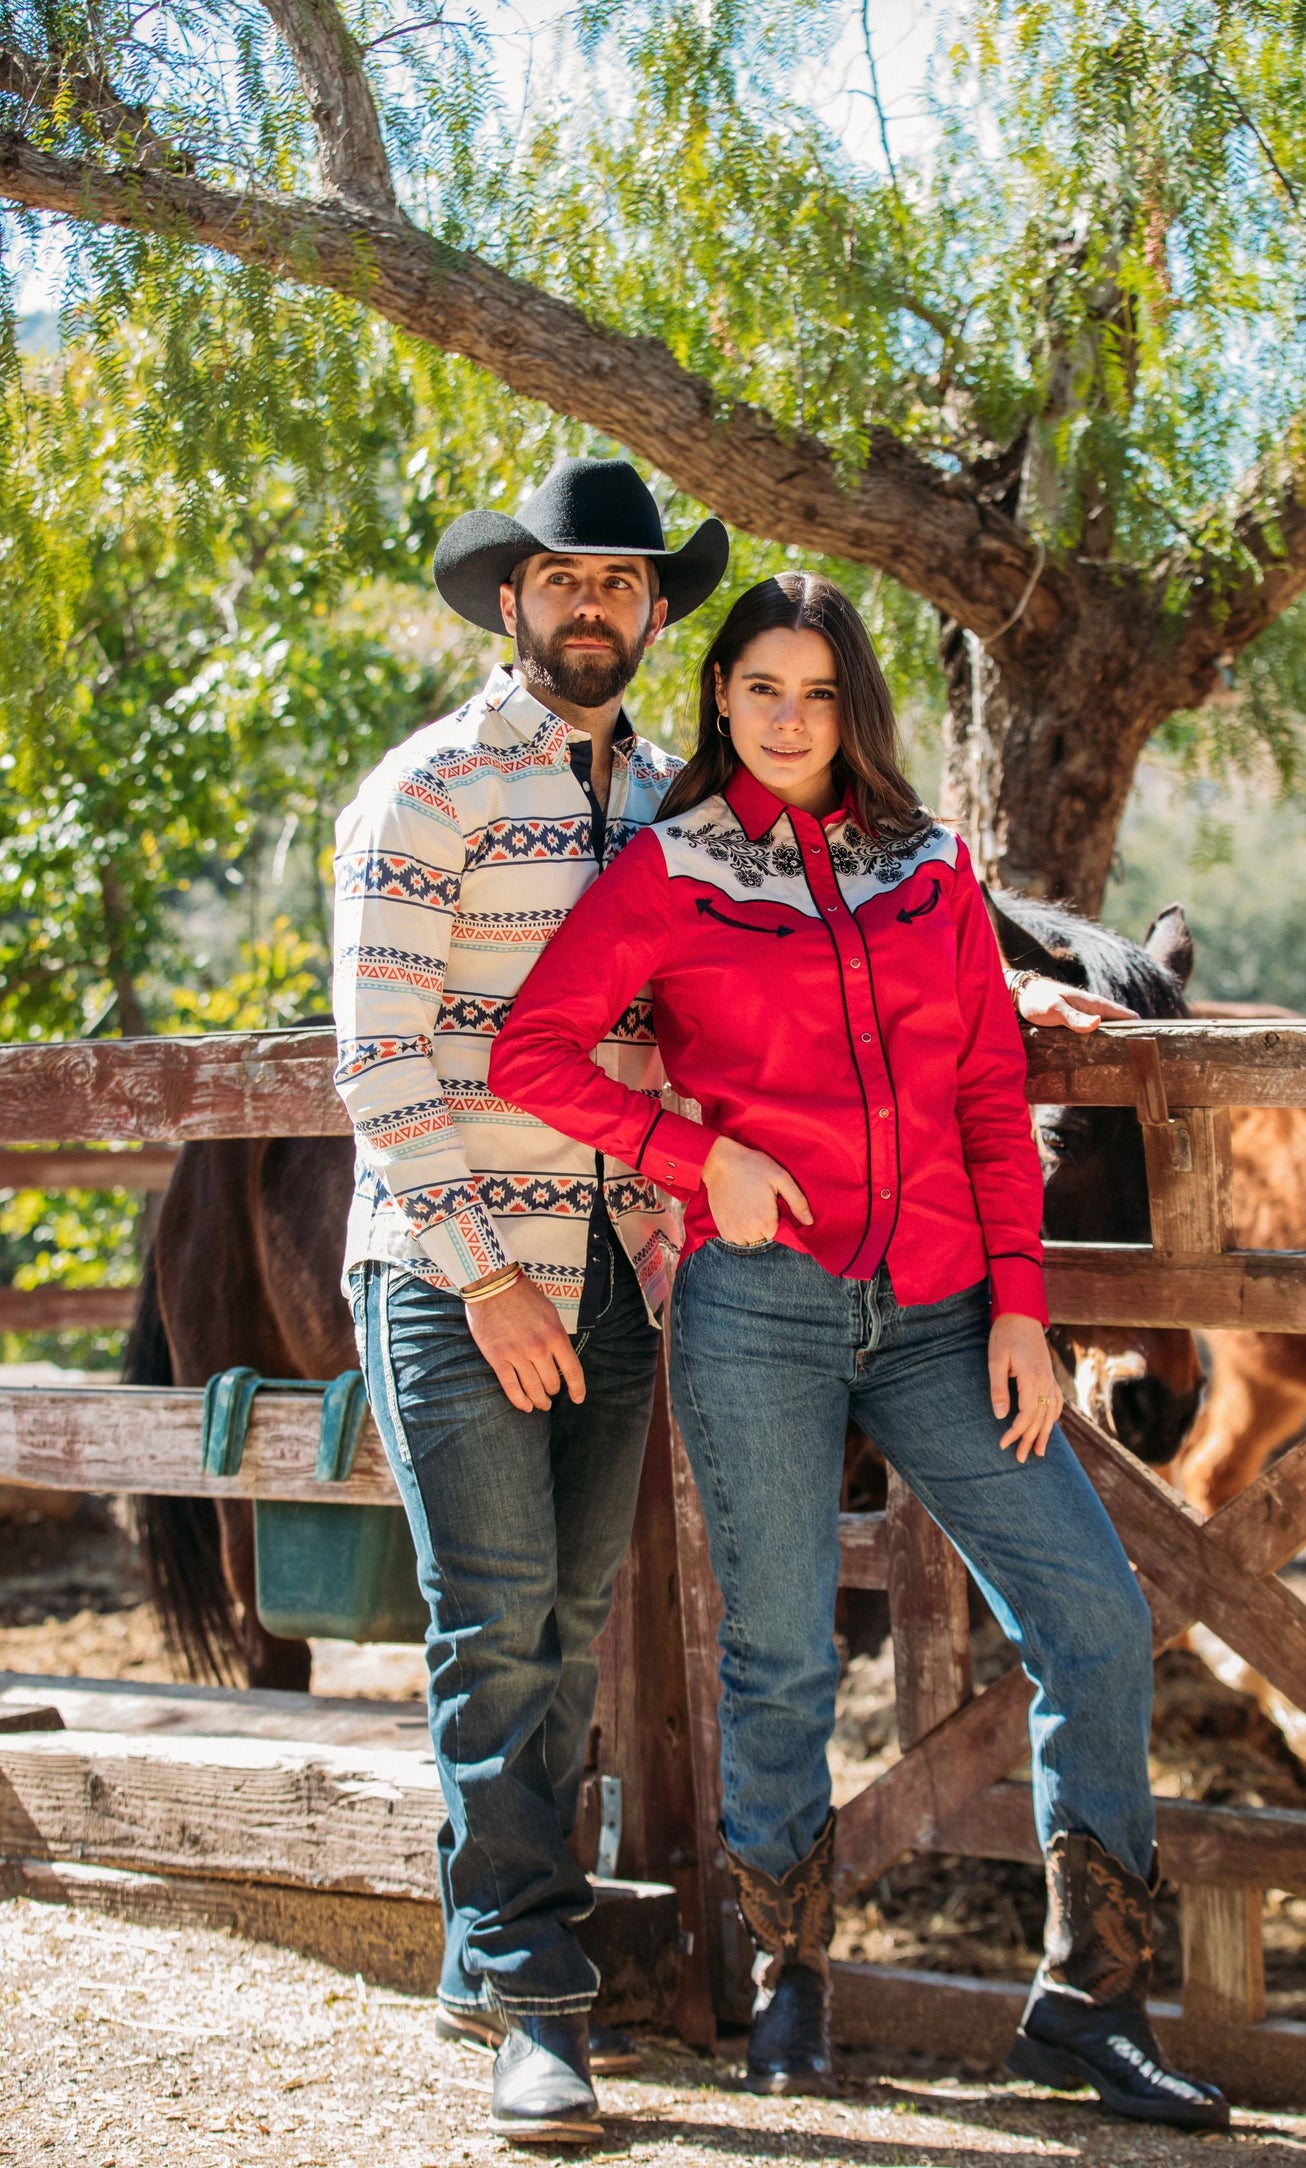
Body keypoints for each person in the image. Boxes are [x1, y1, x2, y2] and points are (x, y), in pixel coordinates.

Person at [489, 572, 1229, 2133]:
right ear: (722, 701)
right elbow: (532, 1049)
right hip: (759, 1313)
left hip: (949, 1317)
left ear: (855, 710)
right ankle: (787, 1987)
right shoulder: (665, 871)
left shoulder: (932, 869)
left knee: (1093, 1618)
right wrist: (692, 1160)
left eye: (818, 693)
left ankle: (1088, 2009)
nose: (787, 718)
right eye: (759, 688)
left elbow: (978, 1092)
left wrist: (1022, 1304)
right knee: (781, 1655)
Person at [331, 456, 729, 2143]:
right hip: (450, 1263)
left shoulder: (668, 811)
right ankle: (538, 1997)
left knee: (566, 1622)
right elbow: (379, 1057)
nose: (594, 607)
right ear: (511, 600)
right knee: (495, 1618)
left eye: (624, 584)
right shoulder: (425, 792)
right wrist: (485, 1277)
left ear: (651, 612)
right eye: (566, 579)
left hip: (620, 1262)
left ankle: (478, 1953)